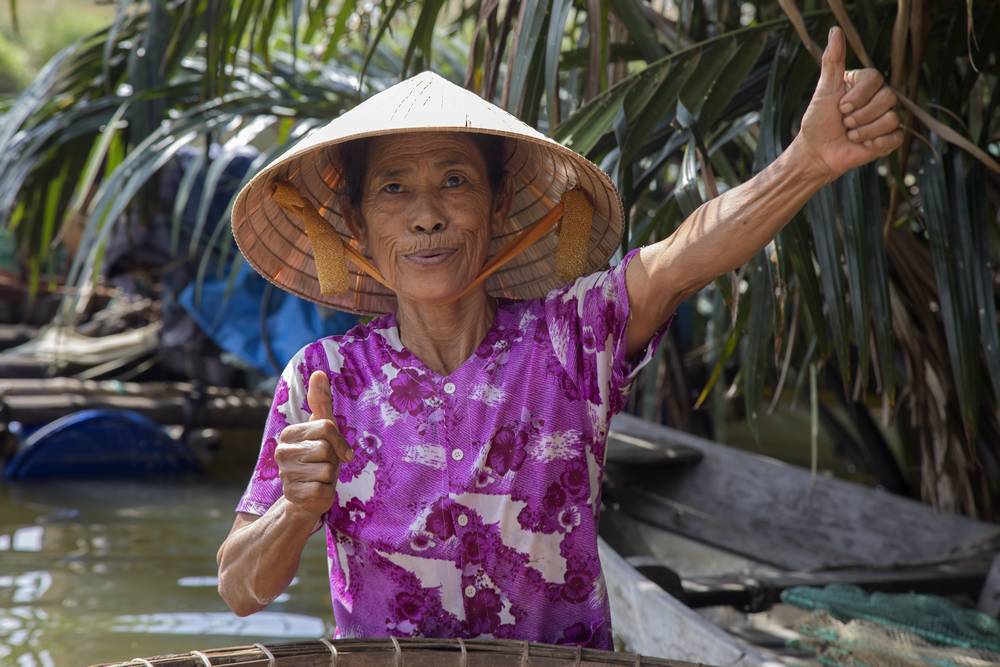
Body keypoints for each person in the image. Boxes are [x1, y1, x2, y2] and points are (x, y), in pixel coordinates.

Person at [217, 27, 900, 648]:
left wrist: (806, 163)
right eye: (394, 189)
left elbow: (684, 256)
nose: (426, 216)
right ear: (360, 229)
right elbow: (240, 589)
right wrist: (296, 507)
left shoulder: (572, 337)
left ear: (498, 205)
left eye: (454, 180)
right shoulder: (326, 379)